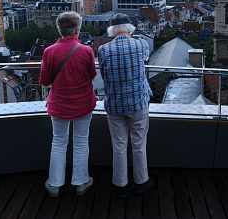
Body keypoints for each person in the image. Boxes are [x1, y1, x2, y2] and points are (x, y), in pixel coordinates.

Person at [39, 11, 97, 197]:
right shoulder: (86, 51)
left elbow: (44, 81)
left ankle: (55, 184)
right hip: (82, 103)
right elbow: (92, 76)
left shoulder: (49, 52)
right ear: (77, 30)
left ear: (60, 30)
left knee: (58, 141)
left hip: (59, 104)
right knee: (81, 141)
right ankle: (80, 181)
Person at [98, 13, 154, 199]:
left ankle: (120, 185)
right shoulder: (141, 45)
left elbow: (104, 75)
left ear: (111, 30)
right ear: (130, 29)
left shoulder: (103, 49)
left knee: (119, 145)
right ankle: (141, 181)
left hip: (115, 103)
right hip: (138, 102)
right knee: (139, 143)